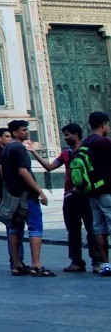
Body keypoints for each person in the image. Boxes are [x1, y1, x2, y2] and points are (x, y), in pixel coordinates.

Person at [29, 123, 100, 273]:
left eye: (67, 135)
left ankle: (97, 261)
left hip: (86, 195)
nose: (65, 138)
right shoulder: (66, 154)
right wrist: (34, 152)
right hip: (69, 195)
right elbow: (49, 167)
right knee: (73, 230)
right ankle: (76, 261)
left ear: (75, 134)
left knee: (91, 229)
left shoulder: (87, 152)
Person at [1, 119, 54, 276]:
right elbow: (23, 172)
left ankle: (16, 264)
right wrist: (41, 192)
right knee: (35, 228)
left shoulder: (6, 149)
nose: (27, 132)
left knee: (15, 229)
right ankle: (36, 264)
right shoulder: (19, 149)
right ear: (16, 133)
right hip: (27, 196)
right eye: (24, 130)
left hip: (13, 196)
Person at [80, 111, 111, 276]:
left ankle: (106, 264)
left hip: (92, 192)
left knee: (99, 230)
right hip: (107, 190)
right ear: (104, 124)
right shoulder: (104, 142)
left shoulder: (85, 142)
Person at [0, 127, 23, 269]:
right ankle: (15, 262)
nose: (10, 139)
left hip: (14, 193)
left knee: (17, 227)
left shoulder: (8, 152)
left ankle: (18, 261)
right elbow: (4, 172)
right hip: (7, 195)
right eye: (7, 136)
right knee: (12, 228)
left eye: (10, 136)